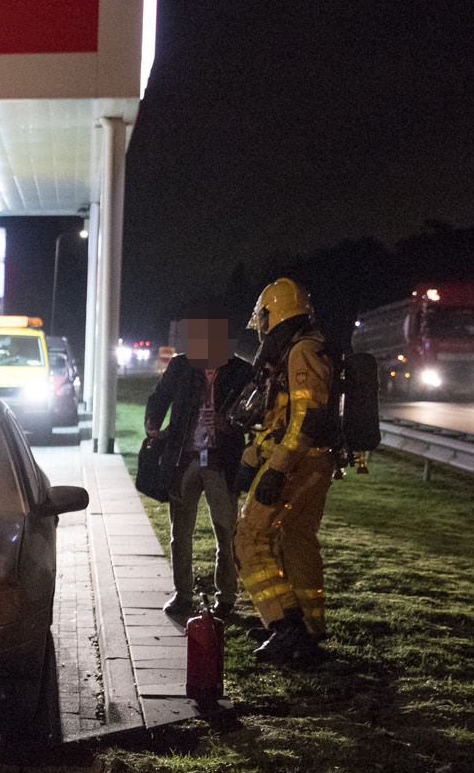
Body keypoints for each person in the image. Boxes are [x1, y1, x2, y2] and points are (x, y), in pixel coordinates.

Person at [232, 278, 341, 668]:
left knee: (249, 538)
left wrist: (276, 469)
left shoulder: (301, 351)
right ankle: (307, 630)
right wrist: (252, 457)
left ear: (273, 314)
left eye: (263, 318)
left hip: (297, 463)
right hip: (310, 461)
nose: (261, 328)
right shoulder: (306, 347)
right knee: (296, 540)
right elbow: (281, 420)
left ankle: (284, 625)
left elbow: (306, 419)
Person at [144, 306, 253, 621]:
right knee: (180, 533)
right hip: (184, 459)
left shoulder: (240, 371)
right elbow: (159, 396)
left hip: (221, 461)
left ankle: (226, 598)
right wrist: (152, 422)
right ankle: (182, 594)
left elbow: (253, 412)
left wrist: (228, 423)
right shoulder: (181, 366)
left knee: (226, 533)